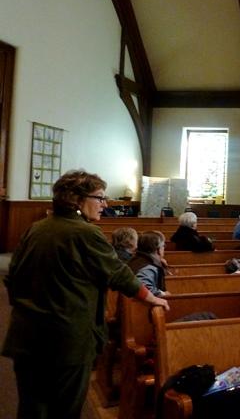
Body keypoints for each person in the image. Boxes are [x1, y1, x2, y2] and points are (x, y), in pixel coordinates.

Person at [2, 170, 168, 419]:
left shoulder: (36, 228)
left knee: (31, 408)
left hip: (26, 335)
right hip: (65, 341)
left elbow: (13, 277)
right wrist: (152, 297)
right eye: (99, 197)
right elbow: (119, 274)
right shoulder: (86, 233)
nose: (105, 204)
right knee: (64, 410)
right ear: (76, 200)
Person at [128, 231, 170, 297]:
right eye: (163, 246)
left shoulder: (136, 260)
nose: (164, 248)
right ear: (158, 250)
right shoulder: (148, 267)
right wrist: (162, 294)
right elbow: (142, 287)